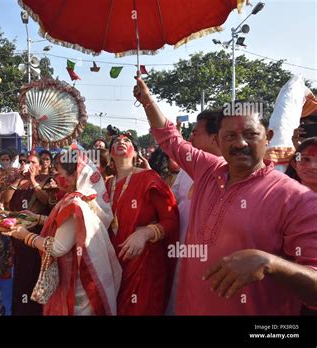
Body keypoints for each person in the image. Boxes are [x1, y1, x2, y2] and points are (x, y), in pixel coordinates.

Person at [134, 74, 317, 314]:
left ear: (268, 137)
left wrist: (271, 264)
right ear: (218, 140)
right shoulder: (207, 169)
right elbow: (170, 138)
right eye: (230, 136)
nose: (240, 143)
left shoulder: (297, 199)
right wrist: (147, 99)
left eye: (251, 134)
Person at [0, 146, 122, 315]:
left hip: (77, 283)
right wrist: (37, 218)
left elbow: (58, 247)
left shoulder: (75, 204)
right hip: (78, 273)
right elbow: (65, 226)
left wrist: (25, 235)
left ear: (74, 176)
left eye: (59, 173)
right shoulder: (81, 197)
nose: (56, 177)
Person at [107, 132, 179, 315]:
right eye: (116, 141)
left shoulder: (149, 179)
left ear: (137, 154)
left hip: (145, 264)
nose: (121, 142)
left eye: (127, 140)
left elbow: (171, 220)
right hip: (113, 264)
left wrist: (145, 233)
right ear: (109, 155)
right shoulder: (105, 185)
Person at [166, 109, 222, 314]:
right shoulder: (185, 169)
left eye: (196, 133)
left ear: (214, 137)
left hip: (212, 263)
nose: (190, 137)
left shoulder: (234, 175)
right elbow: (171, 203)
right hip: (180, 254)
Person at [1, 153, 55, 315]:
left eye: (32, 162)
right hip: (17, 235)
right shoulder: (17, 181)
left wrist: (32, 180)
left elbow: (46, 201)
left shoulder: (46, 181)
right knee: (20, 276)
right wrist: (18, 180)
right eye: (24, 161)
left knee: (34, 274)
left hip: (36, 236)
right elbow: (5, 200)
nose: (27, 164)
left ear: (39, 166)